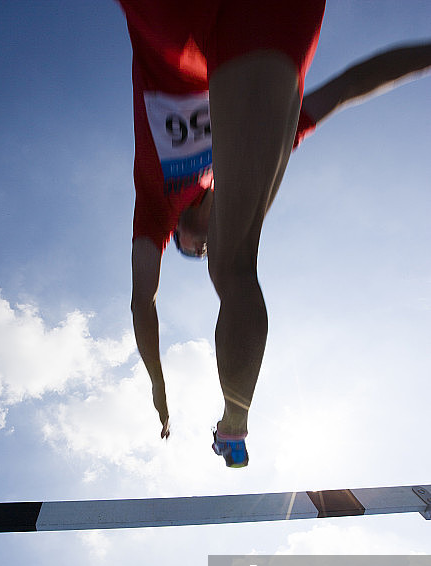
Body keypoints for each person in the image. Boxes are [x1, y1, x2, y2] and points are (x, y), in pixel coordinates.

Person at [117, 0, 431, 467]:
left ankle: (232, 425)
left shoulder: (156, 202)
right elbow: (345, 88)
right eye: (200, 253)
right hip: (263, 31)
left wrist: (158, 387)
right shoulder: (264, 144)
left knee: (231, 266)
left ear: (176, 235)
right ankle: (235, 424)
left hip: (175, 41)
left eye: (189, 251)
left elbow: (143, 301)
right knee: (234, 260)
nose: (200, 249)